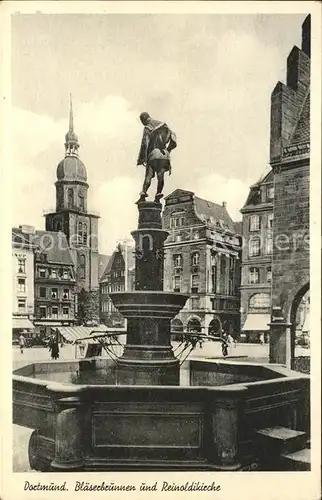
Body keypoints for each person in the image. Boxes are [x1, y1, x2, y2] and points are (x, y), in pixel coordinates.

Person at [137, 112, 177, 203]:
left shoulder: (148, 127)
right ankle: (158, 196)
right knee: (161, 176)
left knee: (148, 176)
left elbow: (145, 143)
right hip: (164, 156)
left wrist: (143, 158)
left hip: (153, 155)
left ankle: (143, 195)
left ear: (143, 120)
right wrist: (168, 150)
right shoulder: (164, 125)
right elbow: (174, 140)